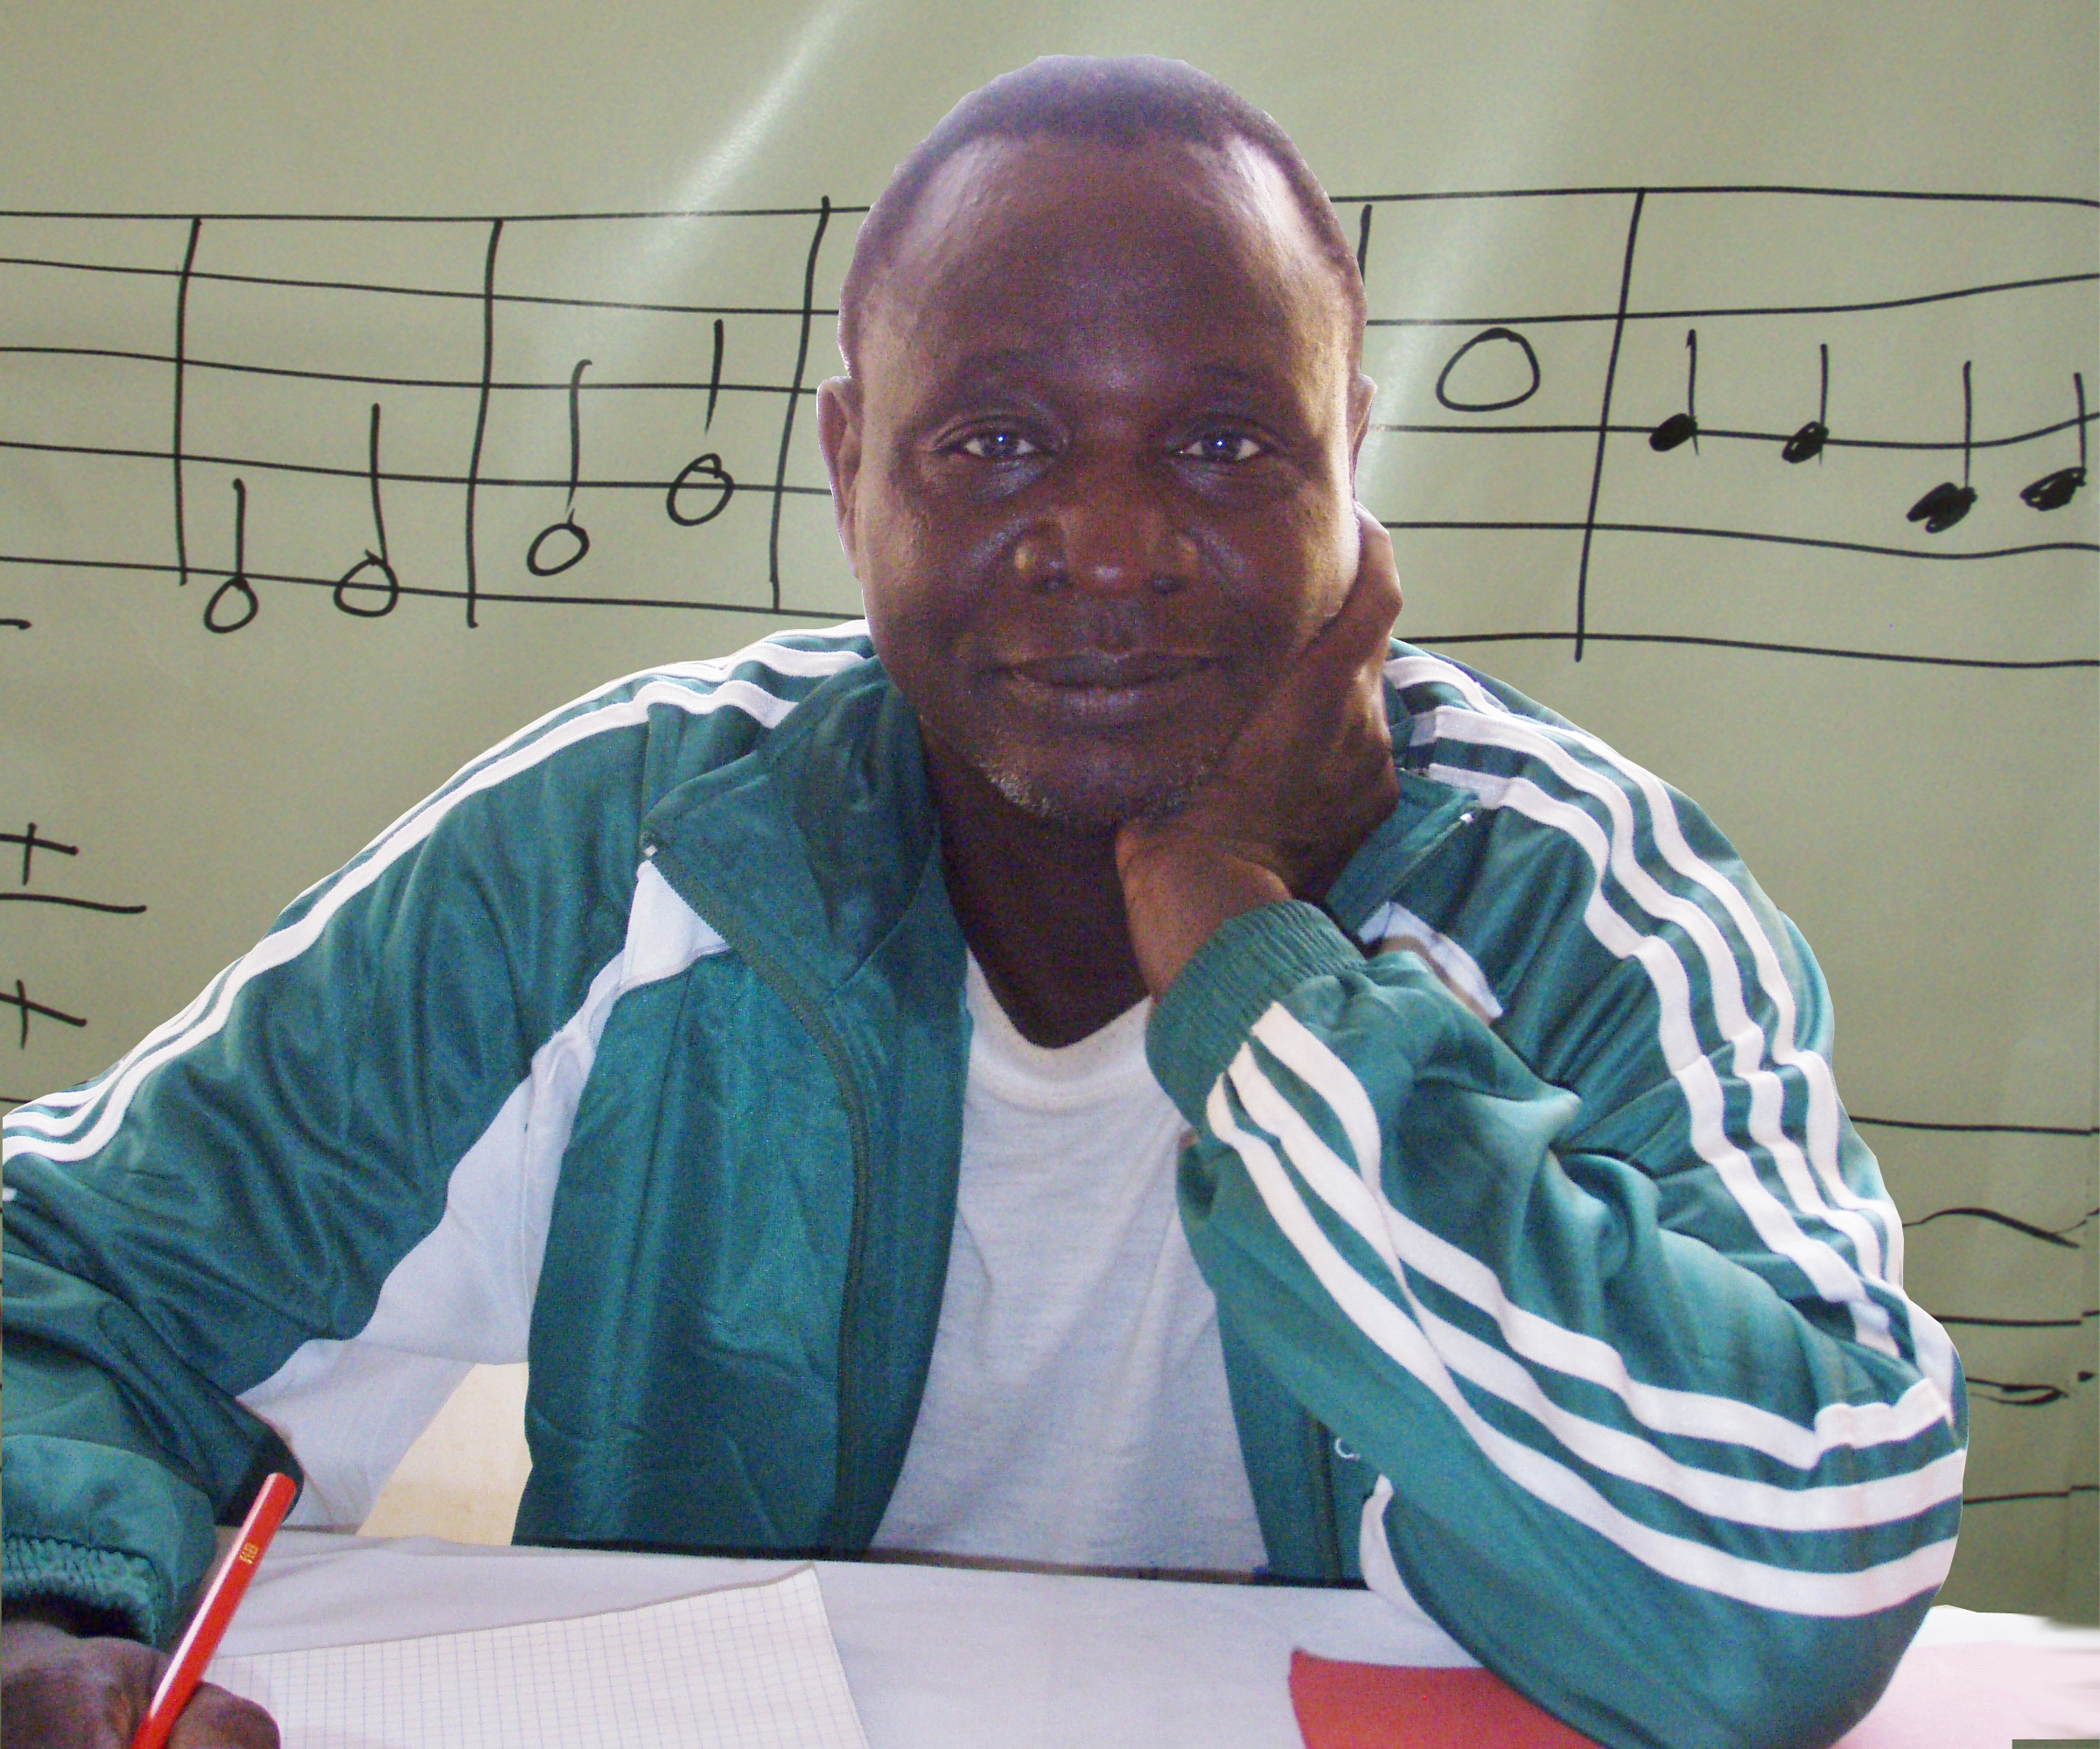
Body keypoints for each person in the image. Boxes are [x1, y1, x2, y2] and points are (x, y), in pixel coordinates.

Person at [1, 55, 1964, 1749]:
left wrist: (1245, 946)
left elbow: (1790, 1589)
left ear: (1349, 465)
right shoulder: (633, 847)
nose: (1109, 547)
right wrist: (40, 1612)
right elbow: (64, 1266)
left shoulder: (1567, 894)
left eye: (1223, 444)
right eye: (998, 441)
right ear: (851, 463)